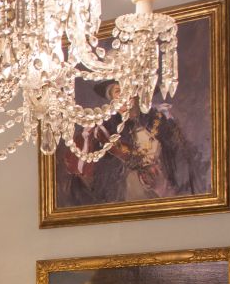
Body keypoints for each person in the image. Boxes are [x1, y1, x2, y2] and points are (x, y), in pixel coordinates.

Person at [61, 81, 204, 205]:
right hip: (125, 196)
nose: (124, 97)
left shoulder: (161, 121)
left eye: (129, 89)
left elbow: (182, 160)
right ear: (111, 98)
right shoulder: (103, 130)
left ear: (138, 93)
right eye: (118, 91)